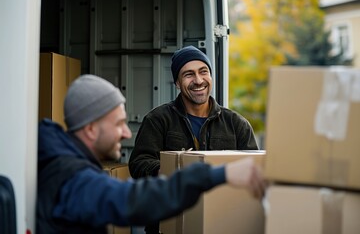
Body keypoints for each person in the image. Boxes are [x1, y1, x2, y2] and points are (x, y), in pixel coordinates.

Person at [37, 74, 266, 234]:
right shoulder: (72, 179)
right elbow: (135, 199)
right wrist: (219, 174)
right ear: (90, 129)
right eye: (118, 124)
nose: (126, 132)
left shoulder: (60, 159)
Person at [128, 46, 260, 233]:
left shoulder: (236, 123)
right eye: (188, 74)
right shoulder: (158, 119)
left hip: (222, 222)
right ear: (177, 83)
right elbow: (138, 164)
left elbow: (252, 169)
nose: (198, 81)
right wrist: (173, 169)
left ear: (211, 76)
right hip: (170, 222)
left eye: (203, 71)